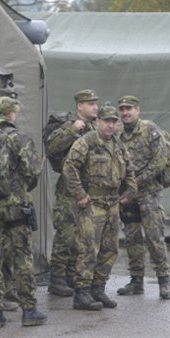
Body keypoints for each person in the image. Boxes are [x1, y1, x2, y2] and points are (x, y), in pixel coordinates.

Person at [0, 96, 46, 328]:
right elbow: (32, 173)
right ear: (11, 113)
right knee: (23, 257)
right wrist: (20, 188)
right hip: (17, 208)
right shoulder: (19, 138)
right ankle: (29, 311)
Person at [63, 104, 137, 311]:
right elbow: (70, 167)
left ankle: (98, 288)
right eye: (107, 121)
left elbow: (130, 171)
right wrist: (80, 194)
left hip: (112, 204)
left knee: (109, 248)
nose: (110, 125)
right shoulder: (85, 142)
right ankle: (82, 293)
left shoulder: (118, 145)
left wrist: (130, 190)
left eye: (114, 122)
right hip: (92, 204)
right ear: (97, 122)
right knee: (88, 249)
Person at [115, 95, 170, 299]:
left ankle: (164, 281)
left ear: (137, 110)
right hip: (128, 197)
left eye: (129, 108)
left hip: (149, 193)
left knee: (154, 237)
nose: (125, 113)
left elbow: (160, 160)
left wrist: (137, 182)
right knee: (132, 239)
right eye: (122, 109)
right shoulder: (118, 133)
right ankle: (136, 281)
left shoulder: (150, 129)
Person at [45, 89, 99, 296]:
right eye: (90, 103)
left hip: (88, 188)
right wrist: (73, 130)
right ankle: (56, 279)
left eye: (96, 103)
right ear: (80, 106)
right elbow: (52, 147)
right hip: (69, 189)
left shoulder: (94, 128)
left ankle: (70, 276)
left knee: (81, 237)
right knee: (66, 234)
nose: (95, 106)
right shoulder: (69, 125)